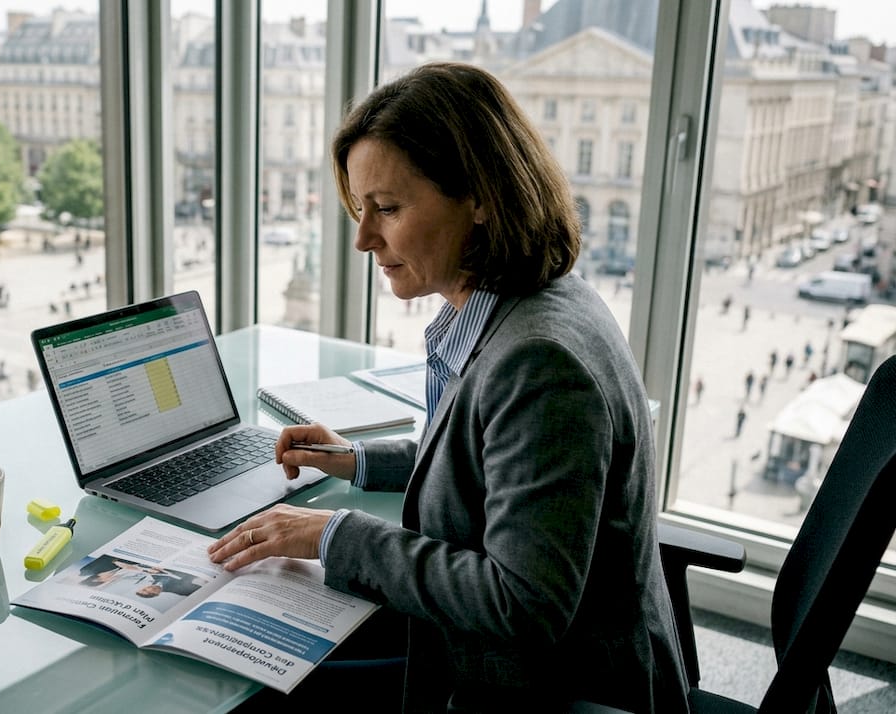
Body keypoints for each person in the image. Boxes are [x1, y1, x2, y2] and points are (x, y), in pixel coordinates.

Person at [207, 63, 687, 712]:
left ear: (481, 197)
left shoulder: (539, 362)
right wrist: (358, 461)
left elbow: (522, 604)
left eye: (387, 208)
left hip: (552, 689)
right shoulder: (531, 300)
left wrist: (333, 535)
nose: (363, 239)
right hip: (522, 660)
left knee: (252, 682)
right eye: (359, 208)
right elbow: (494, 463)